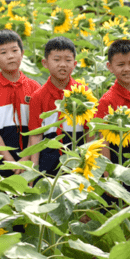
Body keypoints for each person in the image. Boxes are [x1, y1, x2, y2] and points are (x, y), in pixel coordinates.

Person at [0, 29, 41, 174]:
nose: (10, 56)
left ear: (22, 53)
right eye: (3, 53)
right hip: (0, 160)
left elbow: (37, 129)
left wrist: (25, 158)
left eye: (14, 50)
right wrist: (10, 162)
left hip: (29, 158)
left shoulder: (35, 88)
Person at [27, 36, 84, 175]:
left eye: (68, 60)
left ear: (75, 64)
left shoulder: (83, 94)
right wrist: (34, 171)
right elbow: (36, 135)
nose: (63, 64)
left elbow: (90, 132)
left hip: (77, 159)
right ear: (45, 63)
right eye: (57, 60)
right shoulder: (38, 97)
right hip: (48, 162)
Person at [95, 38, 130, 165]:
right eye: (120, 65)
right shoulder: (107, 101)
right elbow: (104, 142)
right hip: (118, 162)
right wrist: (109, 176)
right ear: (110, 67)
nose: (126, 69)